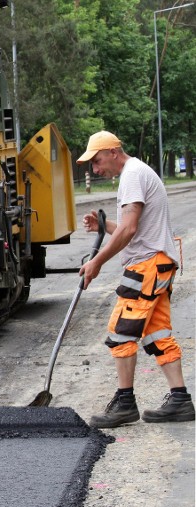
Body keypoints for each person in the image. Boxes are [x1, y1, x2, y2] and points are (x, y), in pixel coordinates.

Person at [77, 131, 194, 428]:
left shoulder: (132, 175)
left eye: (97, 160)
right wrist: (104, 225)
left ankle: (125, 402)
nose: (95, 168)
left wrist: (96, 262)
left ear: (114, 152)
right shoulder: (136, 173)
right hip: (159, 264)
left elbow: (129, 231)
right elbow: (133, 227)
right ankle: (180, 400)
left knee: (121, 331)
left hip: (147, 266)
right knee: (157, 334)